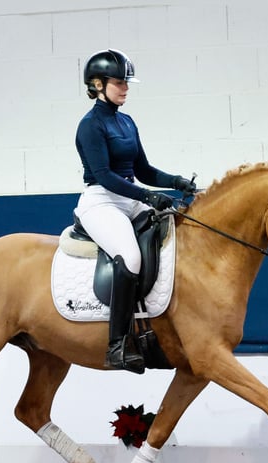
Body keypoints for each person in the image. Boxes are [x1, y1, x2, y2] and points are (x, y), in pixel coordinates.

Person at [74, 49, 197, 374]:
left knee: (174, 232)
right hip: (101, 200)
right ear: (98, 85)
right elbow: (104, 176)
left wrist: (176, 182)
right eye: (118, 82)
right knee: (129, 257)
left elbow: (142, 169)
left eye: (126, 82)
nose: (125, 88)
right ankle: (117, 345)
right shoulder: (90, 125)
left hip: (129, 196)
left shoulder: (126, 121)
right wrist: (147, 197)